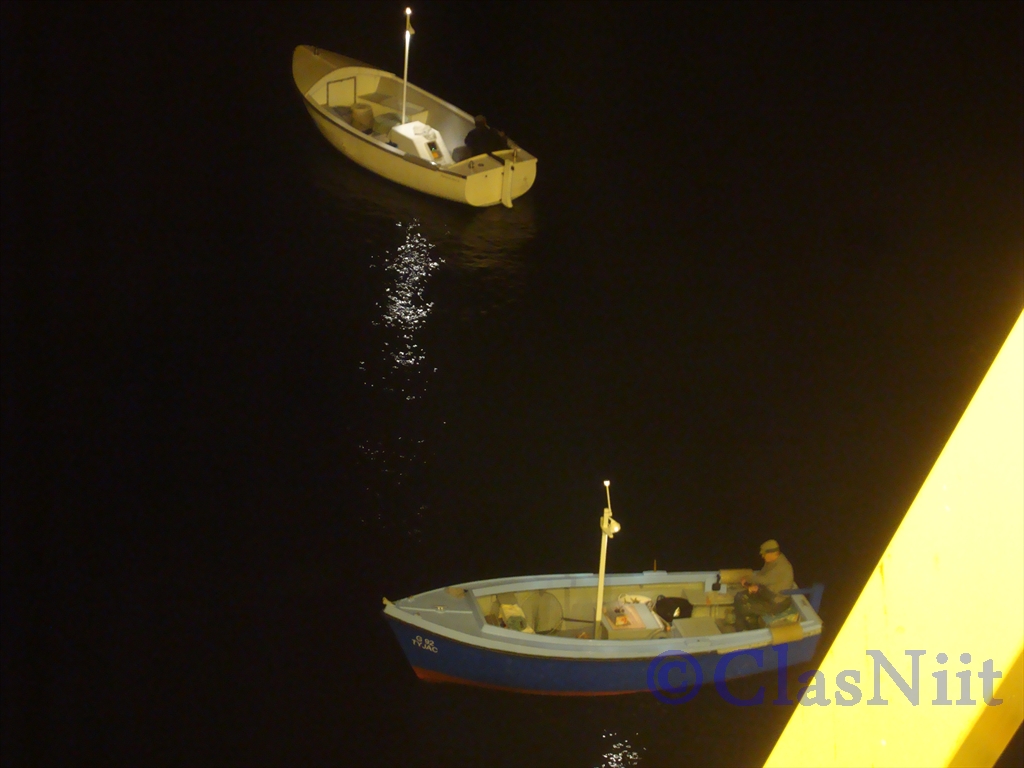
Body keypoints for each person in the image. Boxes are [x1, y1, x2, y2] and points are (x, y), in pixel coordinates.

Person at [733, 539, 796, 630]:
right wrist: (754, 585)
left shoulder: (781, 567)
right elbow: (762, 574)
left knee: (744, 606)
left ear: (773, 553)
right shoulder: (771, 561)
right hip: (766, 594)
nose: (762, 556)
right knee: (739, 596)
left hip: (776, 602)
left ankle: (747, 629)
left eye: (764, 554)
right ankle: (746, 622)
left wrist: (747, 578)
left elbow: (764, 580)